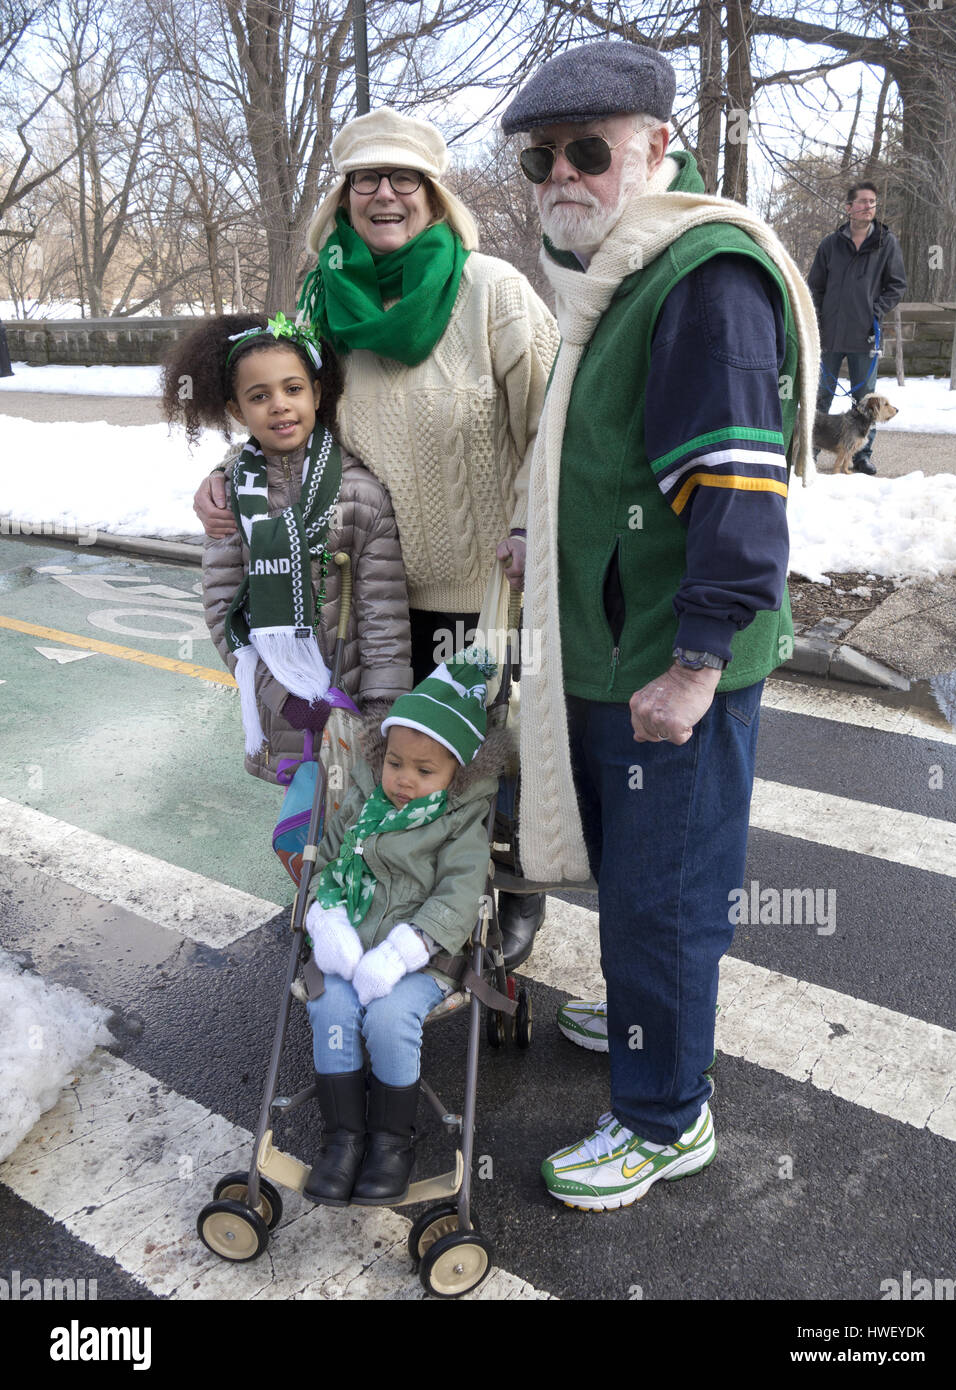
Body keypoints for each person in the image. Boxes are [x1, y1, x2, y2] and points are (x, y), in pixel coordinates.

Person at [500, 39, 820, 1210]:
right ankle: (653, 1026)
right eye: (542, 158)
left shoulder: (700, 277)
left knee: (667, 895)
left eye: (590, 150)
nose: (562, 176)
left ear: (656, 151)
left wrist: (694, 665)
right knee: (646, 883)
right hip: (619, 649)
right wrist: (548, 539)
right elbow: (615, 466)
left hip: (665, 668)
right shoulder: (621, 278)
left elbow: (735, 489)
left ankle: (663, 1115)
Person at [193, 108, 560, 966]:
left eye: (404, 178)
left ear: (434, 197)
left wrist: (524, 525)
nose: (384, 194)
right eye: (366, 179)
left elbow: (557, 425)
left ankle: (509, 893)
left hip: (494, 598)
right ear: (343, 198)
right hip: (374, 599)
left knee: (496, 763)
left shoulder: (493, 292)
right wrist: (225, 476)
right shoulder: (322, 306)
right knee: (390, 771)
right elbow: (284, 414)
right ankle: (387, 907)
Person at [162, 312, 412, 782]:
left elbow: (385, 615)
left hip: (356, 708)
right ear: (237, 411)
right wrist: (288, 701)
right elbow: (224, 613)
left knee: (356, 837)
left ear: (317, 393)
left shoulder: (360, 493)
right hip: (283, 715)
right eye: (259, 396)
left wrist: (382, 714)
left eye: (293, 389)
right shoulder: (231, 498)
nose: (279, 405)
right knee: (304, 840)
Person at [301, 649, 507, 1206]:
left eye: (424, 771)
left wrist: (398, 953)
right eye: (395, 763)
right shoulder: (363, 806)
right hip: (349, 948)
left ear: (456, 773)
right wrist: (329, 922)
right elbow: (325, 864)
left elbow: (458, 897)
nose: (403, 781)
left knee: (391, 1018)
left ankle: (393, 1143)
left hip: (422, 958)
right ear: (381, 755)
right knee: (332, 1008)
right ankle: (343, 1139)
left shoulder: (460, 824)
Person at [808, 181, 907, 475]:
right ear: (849, 207)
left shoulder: (886, 243)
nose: (868, 206)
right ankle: (809, 452)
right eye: (862, 201)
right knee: (821, 396)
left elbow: (897, 285)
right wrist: (818, 320)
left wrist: (874, 310)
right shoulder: (830, 244)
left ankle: (860, 456)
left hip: (866, 335)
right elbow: (815, 287)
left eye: (872, 202)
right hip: (831, 335)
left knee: (866, 399)